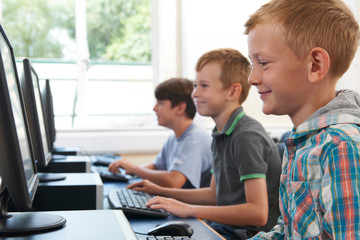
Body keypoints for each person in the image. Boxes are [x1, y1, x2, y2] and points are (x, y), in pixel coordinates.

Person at [128, 48, 282, 240]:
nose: (195, 94)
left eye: (204, 86)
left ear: (233, 91)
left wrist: (189, 209)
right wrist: (161, 191)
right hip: (225, 227)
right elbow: (213, 195)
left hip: (247, 234)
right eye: (195, 85)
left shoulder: (246, 136)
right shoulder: (220, 132)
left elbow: (258, 213)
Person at [245, 0, 360, 239]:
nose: (252, 78)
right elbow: (288, 231)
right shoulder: (301, 140)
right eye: (252, 64)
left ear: (315, 65)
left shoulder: (340, 147)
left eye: (263, 63)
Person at [108, 77, 212, 189]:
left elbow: (174, 181)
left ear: (180, 108)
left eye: (160, 103)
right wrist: (129, 169)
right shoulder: (175, 137)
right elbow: (156, 166)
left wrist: (135, 169)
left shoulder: (194, 139)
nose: (154, 108)